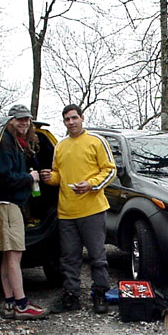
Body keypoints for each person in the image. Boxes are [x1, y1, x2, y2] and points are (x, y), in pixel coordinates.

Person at [41, 104, 116, 314]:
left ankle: (100, 294)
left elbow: (110, 171)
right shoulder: (60, 146)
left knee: (97, 256)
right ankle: (71, 296)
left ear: (82, 118)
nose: (71, 122)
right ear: (64, 122)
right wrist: (50, 178)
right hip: (66, 212)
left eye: (74, 118)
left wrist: (91, 184)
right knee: (68, 258)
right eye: (67, 119)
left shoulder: (96, 141)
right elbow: (58, 175)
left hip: (92, 209)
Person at [0, 104, 46, 319]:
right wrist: (29, 178)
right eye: (19, 119)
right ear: (10, 121)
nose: (24, 123)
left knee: (7, 256)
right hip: (7, 205)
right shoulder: (6, 144)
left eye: (26, 119)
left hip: (6, 205)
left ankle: (9, 303)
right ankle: (22, 305)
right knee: (15, 255)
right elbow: (4, 177)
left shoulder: (16, 143)